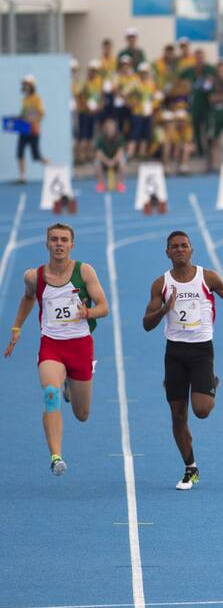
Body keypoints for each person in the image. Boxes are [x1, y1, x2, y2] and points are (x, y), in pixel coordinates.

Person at [142, 230, 223, 490]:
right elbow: (146, 324)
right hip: (175, 353)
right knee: (178, 416)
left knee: (201, 410)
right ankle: (190, 468)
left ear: (191, 250)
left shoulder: (207, 277)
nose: (179, 250)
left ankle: (210, 381)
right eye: (174, 247)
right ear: (167, 252)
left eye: (184, 246)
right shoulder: (161, 284)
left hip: (201, 351)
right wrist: (164, 309)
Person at [3, 223, 110, 476]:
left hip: (81, 346)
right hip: (51, 346)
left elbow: (104, 307)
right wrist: (16, 328)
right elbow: (28, 298)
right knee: (49, 393)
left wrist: (89, 312)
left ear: (72, 244)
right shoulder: (34, 276)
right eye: (54, 239)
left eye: (64, 240)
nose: (59, 244)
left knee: (82, 414)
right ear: (47, 244)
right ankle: (56, 456)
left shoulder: (85, 272)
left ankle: (69, 387)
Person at [180, 48, 216, 158]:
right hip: (194, 105)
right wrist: (186, 87)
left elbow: (215, 81)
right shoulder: (189, 70)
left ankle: (209, 153)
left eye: (201, 57)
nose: (200, 59)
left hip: (207, 105)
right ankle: (199, 151)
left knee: (208, 129)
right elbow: (180, 79)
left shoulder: (210, 69)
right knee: (195, 129)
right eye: (197, 57)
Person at [16, 75, 47, 183]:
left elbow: (41, 113)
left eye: (27, 84)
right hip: (23, 129)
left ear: (32, 86)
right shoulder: (25, 99)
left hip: (33, 130)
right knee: (20, 153)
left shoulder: (37, 99)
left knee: (36, 156)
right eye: (24, 84)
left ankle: (52, 169)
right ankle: (22, 177)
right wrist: (18, 117)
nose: (25, 86)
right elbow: (24, 113)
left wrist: (32, 119)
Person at [126, 62, 159, 160]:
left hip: (148, 112)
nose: (144, 74)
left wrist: (153, 105)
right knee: (135, 133)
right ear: (139, 72)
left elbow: (154, 97)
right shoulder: (135, 83)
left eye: (146, 72)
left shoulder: (151, 83)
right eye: (143, 72)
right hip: (137, 112)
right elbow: (125, 93)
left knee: (145, 134)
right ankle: (130, 154)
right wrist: (131, 103)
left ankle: (142, 153)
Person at [76, 60, 104, 164]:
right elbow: (79, 96)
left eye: (95, 71)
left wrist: (99, 106)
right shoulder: (83, 83)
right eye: (92, 71)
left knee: (91, 135)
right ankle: (80, 156)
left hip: (94, 112)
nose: (93, 73)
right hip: (84, 112)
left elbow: (100, 96)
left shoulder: (99, 82)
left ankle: (89, 155)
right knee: (82, 135)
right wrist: (85, 105)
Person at [94, 116, 126, 193]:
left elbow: (120, 152)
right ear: (105, 128)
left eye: (112, 127)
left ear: (115, 128)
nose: (110, 129)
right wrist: (107, 161)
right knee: (96, 162)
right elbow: (99, 153)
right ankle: (101, 184)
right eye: (108, 127)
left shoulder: (120, 137)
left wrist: (113, 161)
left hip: (115, 160)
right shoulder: (100, 138)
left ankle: (120, 184)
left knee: (122, 161)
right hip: (105, 160)